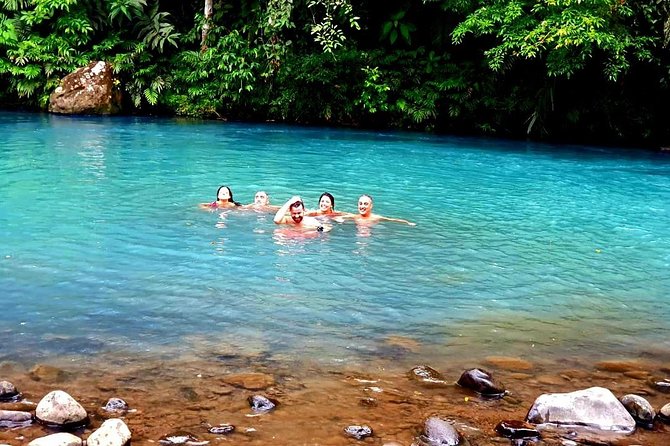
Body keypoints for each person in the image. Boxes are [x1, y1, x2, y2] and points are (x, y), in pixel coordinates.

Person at [351, 194, 416, 226]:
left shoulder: (376, 218)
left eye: (365, 204)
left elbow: (392, 220)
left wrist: (407, 223)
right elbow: (343, 215)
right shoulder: (355, 217)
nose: (362, 206)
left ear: (371, 206)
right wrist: (341, 219)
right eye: (360, 204)